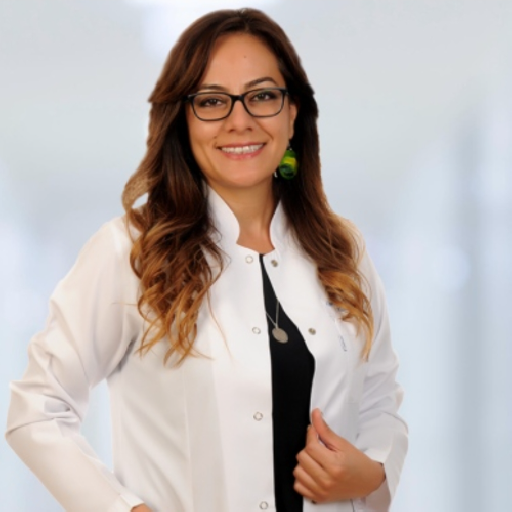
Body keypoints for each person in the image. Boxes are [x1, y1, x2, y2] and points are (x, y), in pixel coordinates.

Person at [5, 8, 407, 512]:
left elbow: (379, 398)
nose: (240, 121)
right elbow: (37, 410)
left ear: (293, 113)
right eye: (212, 101)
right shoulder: (130, 251)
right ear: (182, 119)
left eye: (262, 96)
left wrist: (372, 472)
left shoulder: (342, 247)